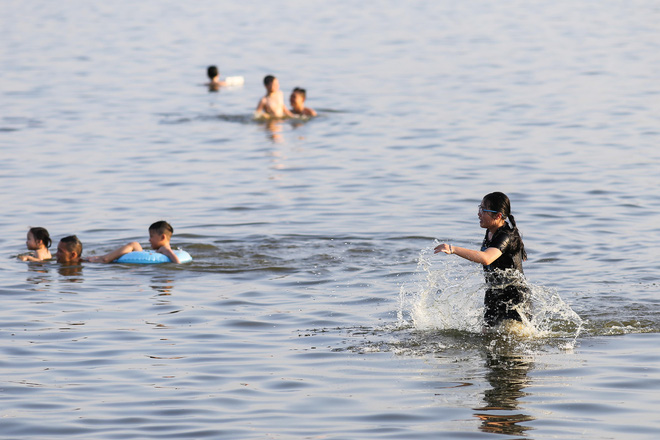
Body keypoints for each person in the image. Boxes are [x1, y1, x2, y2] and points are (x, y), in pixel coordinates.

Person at [434, 192, 529, 328]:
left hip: (514, 299)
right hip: (494, 295)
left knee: (515, 340)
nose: (479, 213)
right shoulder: (491, 231)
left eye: (484, 210)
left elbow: (486, 258)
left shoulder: (505, 236)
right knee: (486, 340)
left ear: (498, 216)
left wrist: (453, 249)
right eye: (480, 208)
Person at [86, 221, 182, 264]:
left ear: (162, 237)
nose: (149, 240)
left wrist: (178, 265)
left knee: (134, 244)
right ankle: (102, 257)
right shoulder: (161, 249)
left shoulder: (165, 249)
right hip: (146, 258)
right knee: (136, 245)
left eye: (151, 236)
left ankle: (104, 259)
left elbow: (173, 256)